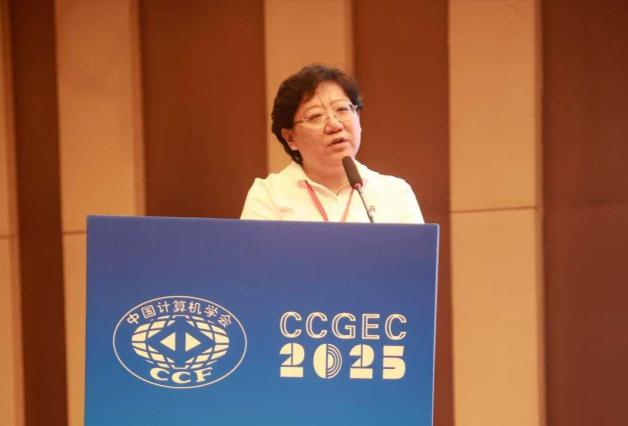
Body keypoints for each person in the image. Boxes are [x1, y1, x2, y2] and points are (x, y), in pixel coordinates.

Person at [241, 64, 424, 224]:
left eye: (342, 109)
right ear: (290, 138)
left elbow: (413, 255)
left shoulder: (396, 194)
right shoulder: (268, 195)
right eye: (315, 116)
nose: (335, 125)